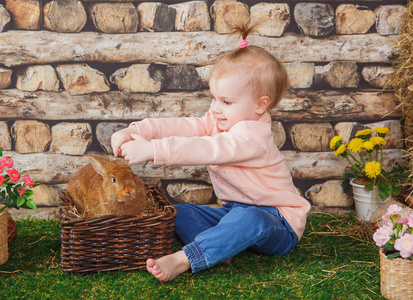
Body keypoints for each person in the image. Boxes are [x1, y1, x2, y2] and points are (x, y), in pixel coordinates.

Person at [111, 23, 311, 282]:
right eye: (214, 97)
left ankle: (186, 258)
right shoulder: (220, 120)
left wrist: (154, 150)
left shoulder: (252, 137)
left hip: (277, 222)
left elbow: (208, 149)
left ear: (261, 105)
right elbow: (188, 126)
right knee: (180, 212)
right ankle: (221, 247)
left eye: (226, 102)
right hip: (234, 212)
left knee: (250, 219)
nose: (216, 108)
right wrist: (139, 130)